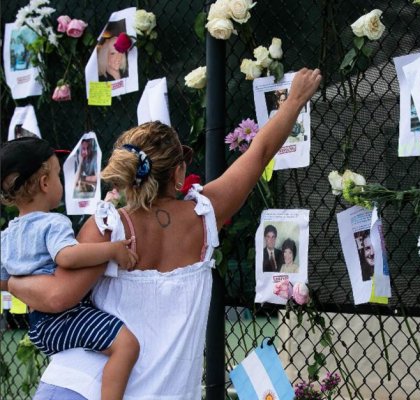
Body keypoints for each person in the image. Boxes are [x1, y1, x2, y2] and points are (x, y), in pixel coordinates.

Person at [8, 68, 322, 399]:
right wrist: (295, 99)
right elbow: (259, 153)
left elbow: (58, 296)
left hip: (77, 387)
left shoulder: (107, 227)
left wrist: (10, 282)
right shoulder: (204, 216)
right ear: (178, 172)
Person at [0, 137, 140, 400]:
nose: (59, 183)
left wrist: (24, 281)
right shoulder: (53, 223)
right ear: (44, 183)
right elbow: (66, 257)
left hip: (38, 325)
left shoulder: (7, 235)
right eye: (57, 176)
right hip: (65, 319)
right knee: (126, 345)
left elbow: (3, 281)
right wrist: (113, 250)